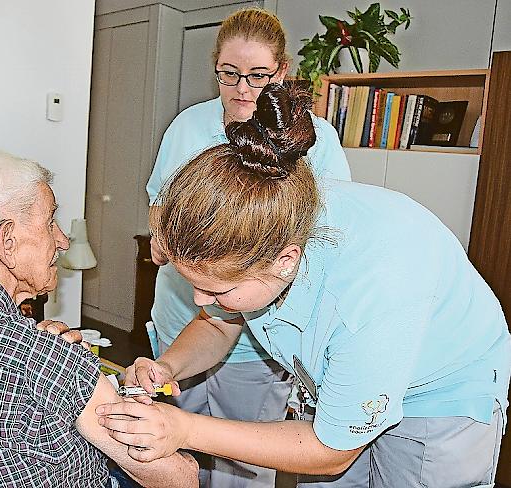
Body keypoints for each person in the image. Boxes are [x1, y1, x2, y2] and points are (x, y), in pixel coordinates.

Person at [96, 83, 511, 487]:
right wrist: (169, 366)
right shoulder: (265, 230)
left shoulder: (368, 293)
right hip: (353, 366)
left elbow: (331, 452)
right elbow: (219, 323)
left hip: (439, 396)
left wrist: (184, 430)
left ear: (285, 261)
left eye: (217, 291)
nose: (201, 301)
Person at [0, 151, 198, 488]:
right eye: (50, 221)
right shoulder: (47, 359)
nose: (63, 240)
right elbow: (178, 479)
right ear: (7, 241)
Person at [145, 8, 350, 487]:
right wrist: (161, 234)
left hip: (258, 338)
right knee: (176, 459)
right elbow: (159, 202)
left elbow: (324, 239)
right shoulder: (187, 127)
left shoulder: (316, 142)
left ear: (282, 73)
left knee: (242, 468)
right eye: (229, 74)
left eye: (257, 76)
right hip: (183, 325)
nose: (241, 88)